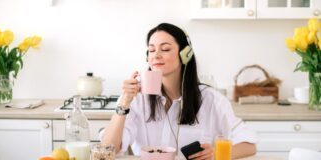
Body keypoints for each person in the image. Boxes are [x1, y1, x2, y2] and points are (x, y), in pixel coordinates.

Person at [101, 23, 257, 159]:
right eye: (151, 50)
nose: (156, 55)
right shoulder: (135, 98)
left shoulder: (212, 99)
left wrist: (217, 154)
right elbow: (108, 150)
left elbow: (249, 146)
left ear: (185, 55)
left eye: (165, 49)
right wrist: (124, 102)